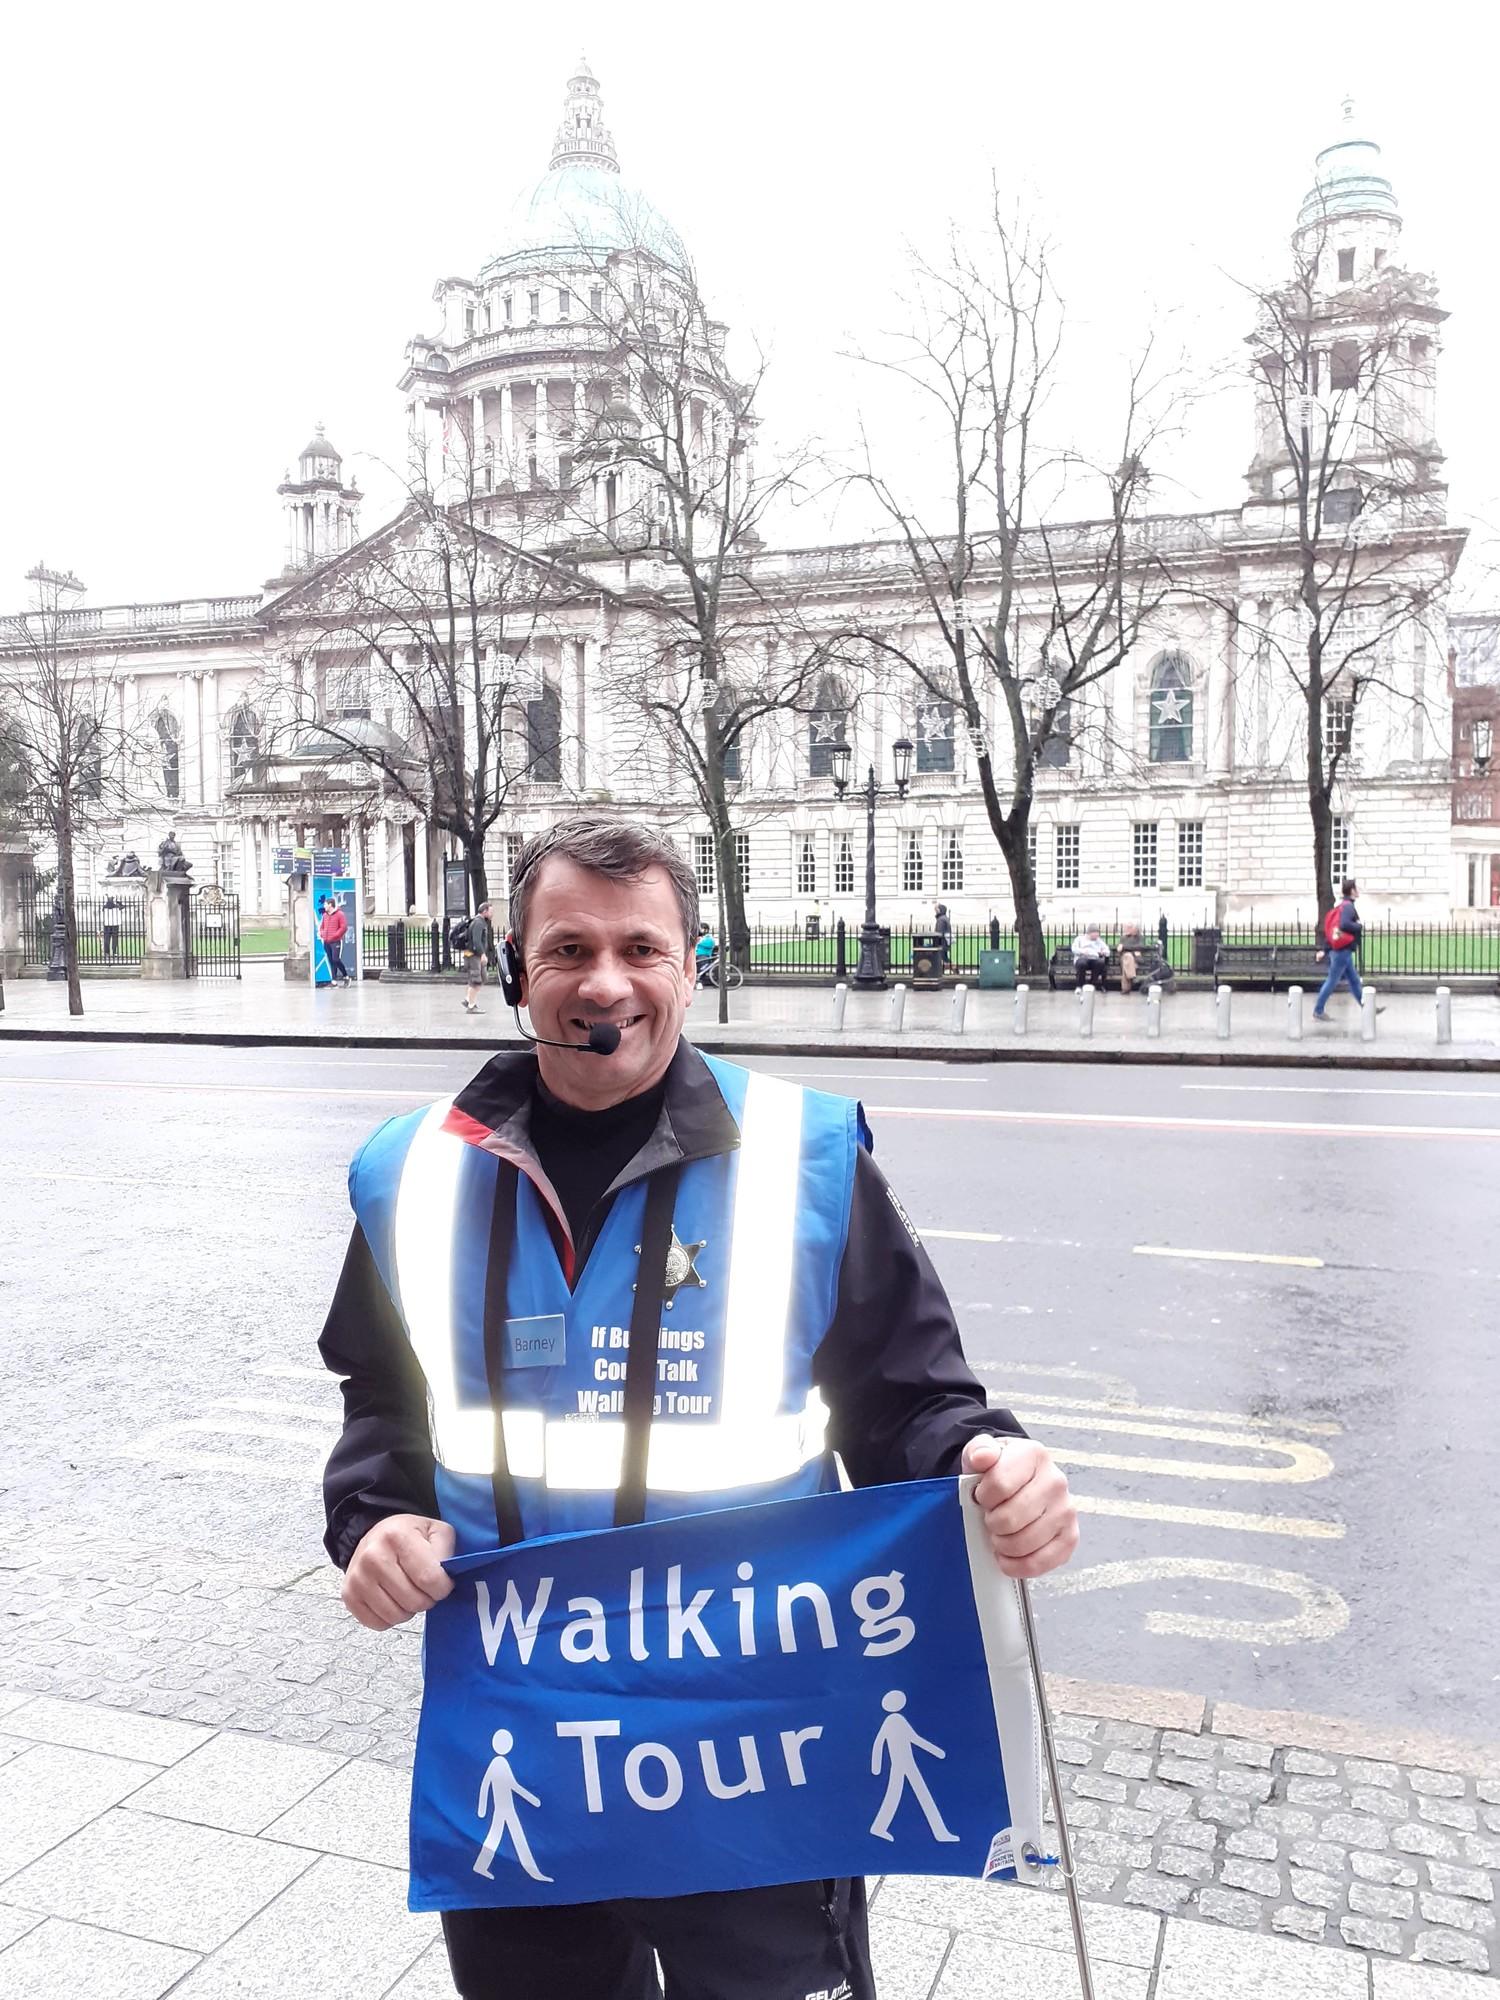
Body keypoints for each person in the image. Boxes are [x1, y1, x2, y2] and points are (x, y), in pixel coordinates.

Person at [318, 815, 1079, 2000]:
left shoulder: (805, 1155)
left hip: (757, 1744)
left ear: (693, 963)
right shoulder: (408, 1170)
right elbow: (385, 1397)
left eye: (642, 947)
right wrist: (373, 1517)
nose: (604, 981)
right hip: (528, 1735)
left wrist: (993, 1462)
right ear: (514, 965)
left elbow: (910, 1397)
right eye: (566, 947)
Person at [1313, 878, 1364, 1021]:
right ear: (1352, 891)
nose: (1358, 890)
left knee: (1354, 981)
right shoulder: (1348, 907)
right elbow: (1344, 924)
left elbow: (1335, 931)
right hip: (1342, 952)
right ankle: (1318, 1010)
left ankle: (1367, 1007)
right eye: (1356, 888)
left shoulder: (1344, 905)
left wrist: (1325, 949)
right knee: (1332, 981)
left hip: (1342, 952)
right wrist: (1359, 926)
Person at [463, 902, 494, 1015]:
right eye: (491, 911)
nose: (492, 914)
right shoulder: (478, 923)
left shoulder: (480, 922)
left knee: (482, 978)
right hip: (473, 956)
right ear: (484, 911)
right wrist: (482, 954)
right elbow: (476, 941)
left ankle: (468, 999)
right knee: (475, 980)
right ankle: (471, 1006)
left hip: (474, 955)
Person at [317, 895, 352, 988]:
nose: (324, 906)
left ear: (330, 905)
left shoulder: (340, 914)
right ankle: (334, 981)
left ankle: (346, 976)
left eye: (325, 904)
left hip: (335, 941)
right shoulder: (324, 915)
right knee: (331, 960)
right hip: (326, 941)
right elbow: (322, 927)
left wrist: (335, 935)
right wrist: (322, 934)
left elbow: (344, 927)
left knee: (336, 959)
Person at [1070, 922, 1109, 990]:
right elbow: (1074, 949)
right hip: (1082, 958)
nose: (1097, 935)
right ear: (1089, 933)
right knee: (1081, 964)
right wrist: (1082, 951)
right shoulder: (1079, 939)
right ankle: (1080, 985)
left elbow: (1107, 951)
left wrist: (1103, 952)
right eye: (1095, 933)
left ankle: (1092, 983)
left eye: (1098, 933)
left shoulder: (1099, 941)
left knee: (1100, 963)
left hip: (1094, 959)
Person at [1118, 923, 1143, 995]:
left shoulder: (1139, 938)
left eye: (1130, 928)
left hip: (1134, 961)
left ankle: (1125, 989)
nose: (1127, 930)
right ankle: (1132, 977)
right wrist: (1133, 950)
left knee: (1127, 964)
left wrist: (1125, 947)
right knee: (1128, 957)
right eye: (1127, 928)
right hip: (1124, 958)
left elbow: (1140, 947)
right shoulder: (1123, 938)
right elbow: (1119, 949)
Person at [693, 919, 718, 988]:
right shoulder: (701, 937)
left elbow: (706, 943)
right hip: (695, 955)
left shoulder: (709, 938)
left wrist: (696, 941)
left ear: (706, 930)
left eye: (701, 929)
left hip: (703, 956)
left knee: (701, 965)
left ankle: (699, 982)